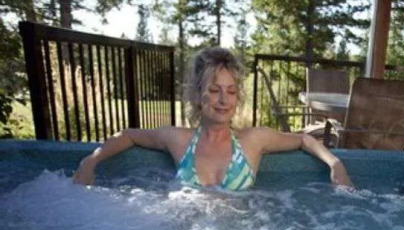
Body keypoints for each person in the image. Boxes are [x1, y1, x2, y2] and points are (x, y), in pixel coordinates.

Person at [73, 47, 353, 190]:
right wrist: (90, 162)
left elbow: (303, 139)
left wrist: (335, 164)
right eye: (214, 90)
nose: (223, 100)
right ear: (198, 95)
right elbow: (130, 135)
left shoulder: (253, 141)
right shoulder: (179, 140)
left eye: (231, 91)